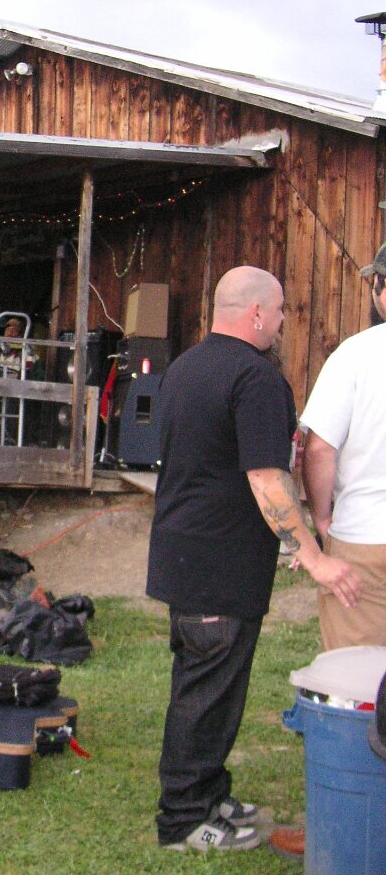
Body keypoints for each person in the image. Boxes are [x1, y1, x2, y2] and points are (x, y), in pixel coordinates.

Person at [146, 266, 360, 853]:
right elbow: (267, 480)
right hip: (220, 563)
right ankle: (183, 819)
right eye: (282, 310)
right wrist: (312, 555)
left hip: (186, 553)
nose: (285, 321)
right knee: (206, 696)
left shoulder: (184, 368)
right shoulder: (256, 378)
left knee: (208, 688)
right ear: (258, 313)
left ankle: (207, 794)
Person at [268, 243, 386, 862]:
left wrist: (322, 520)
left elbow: (317, 447)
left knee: (357, 693)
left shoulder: (357, 355)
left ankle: (351, 826)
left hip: (365, 541)